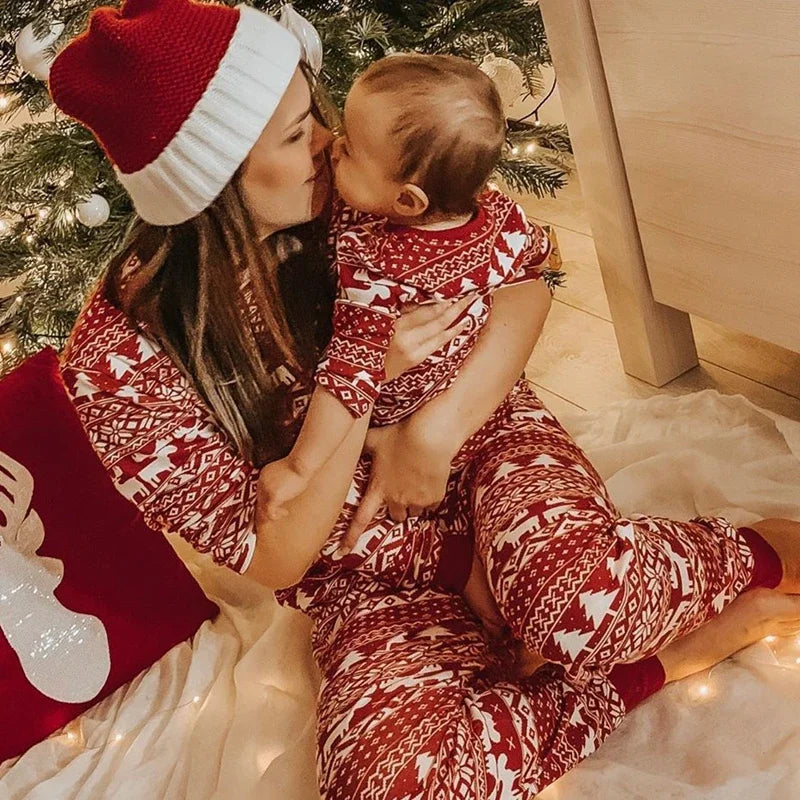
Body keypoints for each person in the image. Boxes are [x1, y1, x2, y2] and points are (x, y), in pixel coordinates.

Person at [48, 1, 800, 797]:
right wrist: (369, 400)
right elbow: (276, 555)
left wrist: (432, 436)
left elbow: (525, 281)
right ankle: (661, 662)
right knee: (392, 783)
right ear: (216, 176)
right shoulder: (118, 363)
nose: (328, 141)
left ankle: (756, 551)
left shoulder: (365, 185)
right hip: (362, 571)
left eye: (316, 114)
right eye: (297, 131)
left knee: (579, 600)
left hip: (483, 444)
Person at [258, 53, 554, 522]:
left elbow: (349, 374)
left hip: (416, 418)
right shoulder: (501, 218)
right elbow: (537, 253)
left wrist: (299, 467)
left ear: (407, 200)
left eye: (350, 148)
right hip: (449, 413)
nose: (331, 144)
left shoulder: (376, 266)